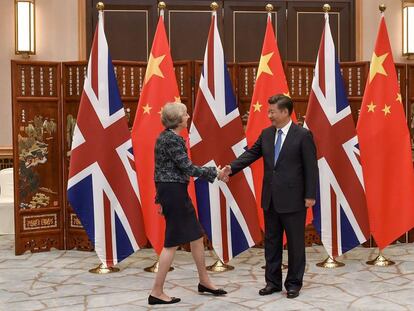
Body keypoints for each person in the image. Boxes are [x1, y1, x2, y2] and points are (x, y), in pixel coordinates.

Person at [222, 94, 318, 299]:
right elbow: (251, 154)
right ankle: (272, 283)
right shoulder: (266, 134)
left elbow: (311, 167)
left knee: (295, 245)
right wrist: (231, 168)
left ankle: (293, 284)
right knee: (272, 243)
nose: (269, 115)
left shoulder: (302, 135)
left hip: (294, 200)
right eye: (269, 111)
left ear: (284, 112)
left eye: (272, 111)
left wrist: (310, 195)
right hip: (271, 199)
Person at [148, 102, 227, 305]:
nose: (188, 116)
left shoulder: (167, 137)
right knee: (171, 243)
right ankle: (156, 291)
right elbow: (188, 168)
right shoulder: (172, 140)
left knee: (196, 237)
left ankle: (204, 281)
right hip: (174, 192)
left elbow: (159, 170)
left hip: (173, 191)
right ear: (177, 120)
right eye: (184, 114)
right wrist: (215, 173)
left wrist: (159, 198)